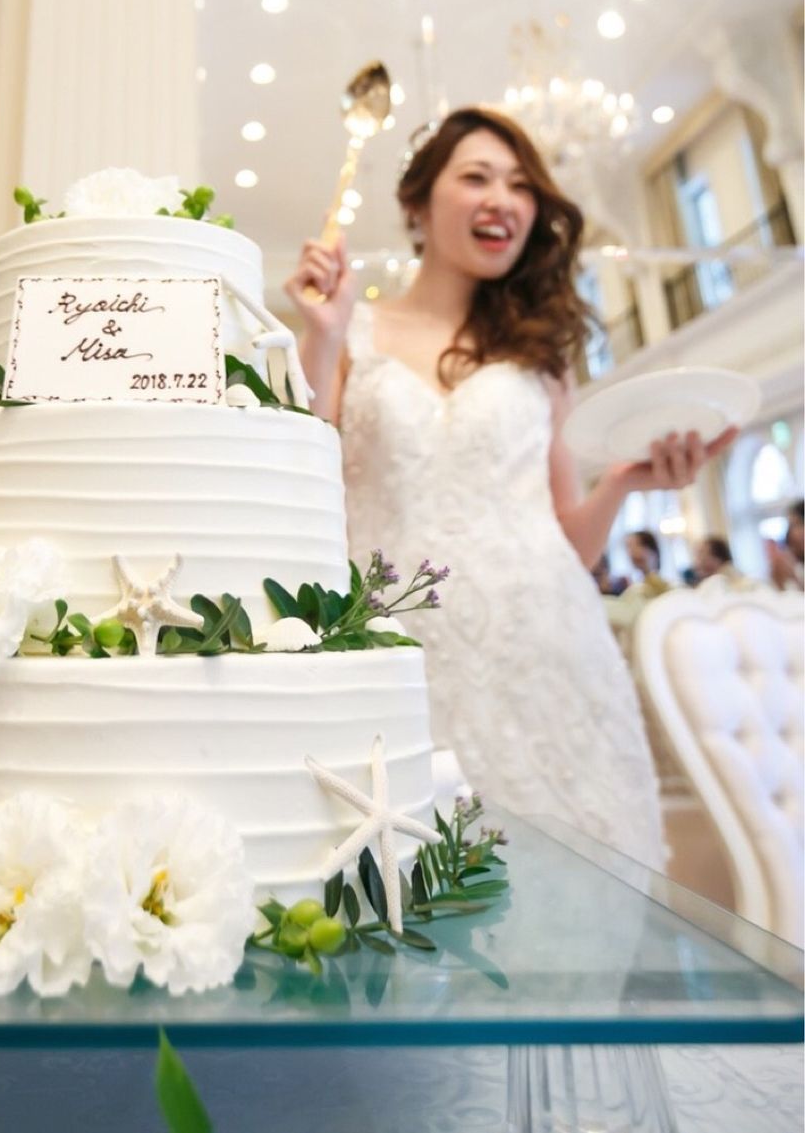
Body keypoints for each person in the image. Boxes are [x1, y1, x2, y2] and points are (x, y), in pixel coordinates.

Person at [287, 106, 739, 871]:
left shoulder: (541, 355)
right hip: (403, 660)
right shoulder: (349, 333)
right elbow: (303, 490)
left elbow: (569, 542)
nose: (504, 198)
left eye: (522, 186)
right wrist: (323, 335)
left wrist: (623, 481)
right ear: (416, 204)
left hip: (551, 658)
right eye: (477, 176)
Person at [767, 499, 805, 591]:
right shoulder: (794, 558)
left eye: (799, 524)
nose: (793, 533)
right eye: (791, 526)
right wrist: (778, 577)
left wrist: (795, 577)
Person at [625, 529, 671, 598]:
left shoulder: (663, 584)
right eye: (628, 547)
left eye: (636, 545)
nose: (630, 552)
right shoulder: (635, 585)